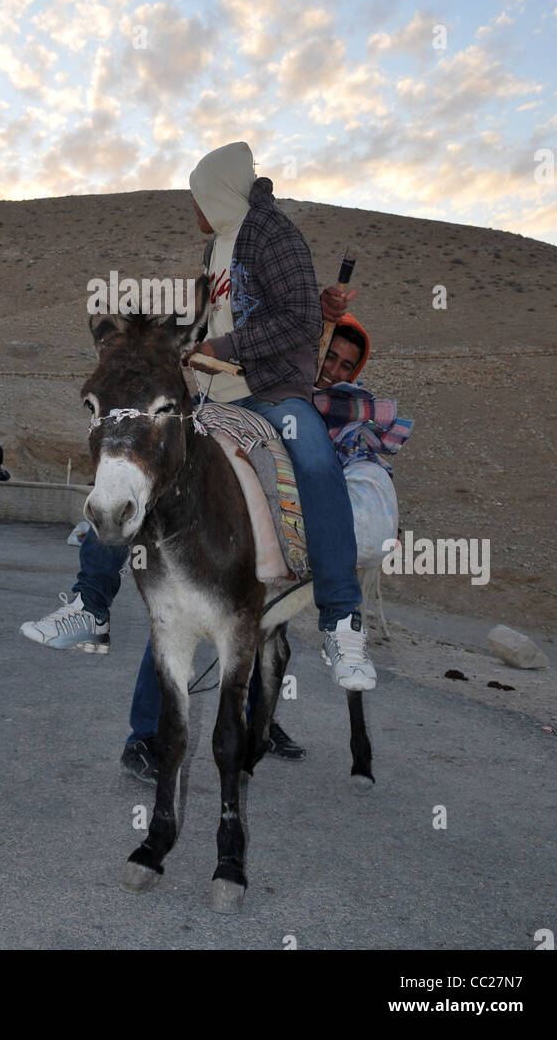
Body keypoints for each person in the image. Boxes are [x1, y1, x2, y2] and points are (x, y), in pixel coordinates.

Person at [22, 142, 374, 693]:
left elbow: (302, 320)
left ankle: (341, 621)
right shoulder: (218, 248)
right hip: (213, 397)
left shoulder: (273, 234)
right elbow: (202, 319)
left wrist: (227, 345)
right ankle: (90, 604)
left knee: (316, 462)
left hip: (271, 393)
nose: (193, 208)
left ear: (219, 190)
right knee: (138, 453)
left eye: (197, 195)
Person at [121, 313, 413, 783]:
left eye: (344, 366)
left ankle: (259, 723)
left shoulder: (339, 413)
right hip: (220, 522)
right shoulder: (265, 387)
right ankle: (142, 737)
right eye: (329, 357)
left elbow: (359, 468)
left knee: (261, 626)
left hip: (278, 529)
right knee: (177, 617)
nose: (333, 371)